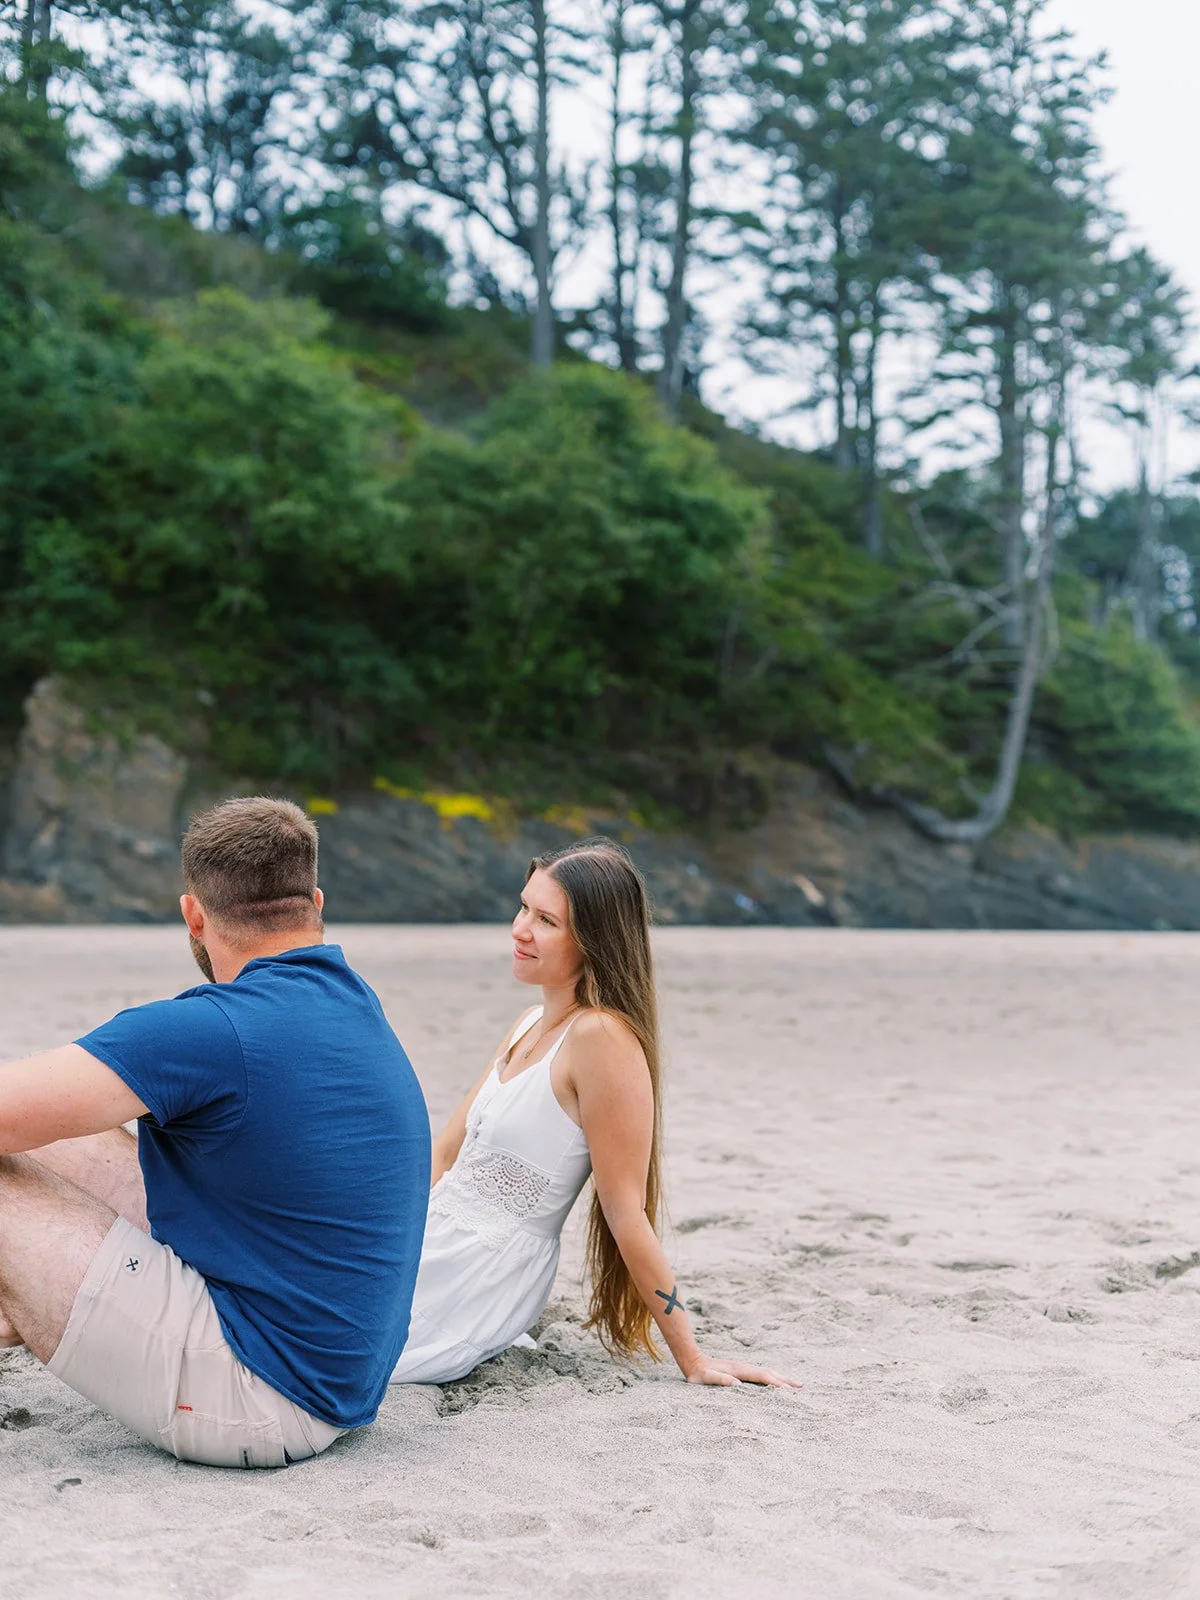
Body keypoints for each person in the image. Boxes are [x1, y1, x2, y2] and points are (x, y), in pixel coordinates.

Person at [0, 796, 430, 1468]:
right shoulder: (351, 1005)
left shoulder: (214, 1031)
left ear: (193, 914)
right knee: (48, 1137)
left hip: (262, 1395)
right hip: (332, 1372)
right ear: (313, 902)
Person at [391, 836, 797, 1390]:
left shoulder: (602, 1040)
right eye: (523, 907)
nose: (519, 929)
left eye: (546, 921)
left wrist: (693, 1358)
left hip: (479, 1275)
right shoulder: (526, 1025)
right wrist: (385, 1234)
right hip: (430, 1238)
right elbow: (444, 1154)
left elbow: (626, 1214)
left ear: (594, 941)